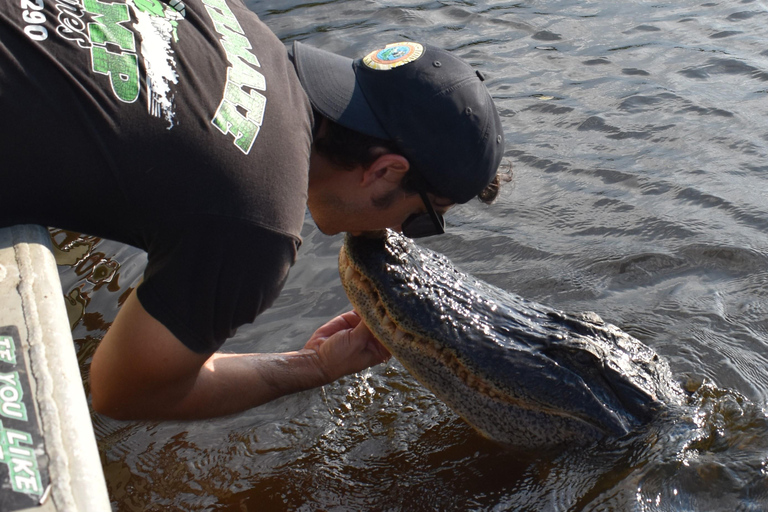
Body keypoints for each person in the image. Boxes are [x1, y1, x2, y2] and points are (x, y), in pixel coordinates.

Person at [0, 0, 504, 420]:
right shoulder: (257, 221)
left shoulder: (236, 22)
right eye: (422, 219)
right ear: (386, 172)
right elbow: (123, 390)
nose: (397, 235)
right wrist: (314, 367)